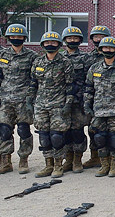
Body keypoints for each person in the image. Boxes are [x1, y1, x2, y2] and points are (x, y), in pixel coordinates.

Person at [84, 37, 115, 177]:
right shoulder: (94, 68)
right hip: (98, 111)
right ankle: (104, 164)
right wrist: (87, 105)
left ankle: (114, 165)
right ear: (101, 50)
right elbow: (88, 89)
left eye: (111, 48)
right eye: (105, 48)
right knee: (100, 138)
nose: (108, 50)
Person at [31, 31, 75, 178]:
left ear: (59, 45)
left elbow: (70, 86)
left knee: (57, 136)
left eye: (53, 42)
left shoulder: (65, 63)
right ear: (43, 45)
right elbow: (33, 84)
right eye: (47, 42)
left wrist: (68, 104)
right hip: (41, 105)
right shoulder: (37, 62)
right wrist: (30, 102)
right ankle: (48, 165)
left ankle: (58, 165)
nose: (50, 45)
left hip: (58, 105)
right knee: (44, 136)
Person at [0, 24, 36, 174]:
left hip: (24, 100)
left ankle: (23, 159)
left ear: (24, 38)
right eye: (13, 37)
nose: (16, 39)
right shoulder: (2, 55)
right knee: (4, 131)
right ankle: (6, 160)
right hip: (5, 100)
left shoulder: (32, 56)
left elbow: (36, 79)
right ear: (8, 38)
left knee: (23, 130)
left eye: (19, 36)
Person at [60, 26, 89, 173]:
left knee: (77, 131)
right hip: (61, 100)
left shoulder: (85, 58)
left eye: (75, 38)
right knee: (65, 131)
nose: (72, 40)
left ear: (80, 40)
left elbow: (89, 80)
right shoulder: (59, 57)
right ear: (65, 40)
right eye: (70, 38)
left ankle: (78, 159)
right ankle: (68, 158)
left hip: (79, 101)